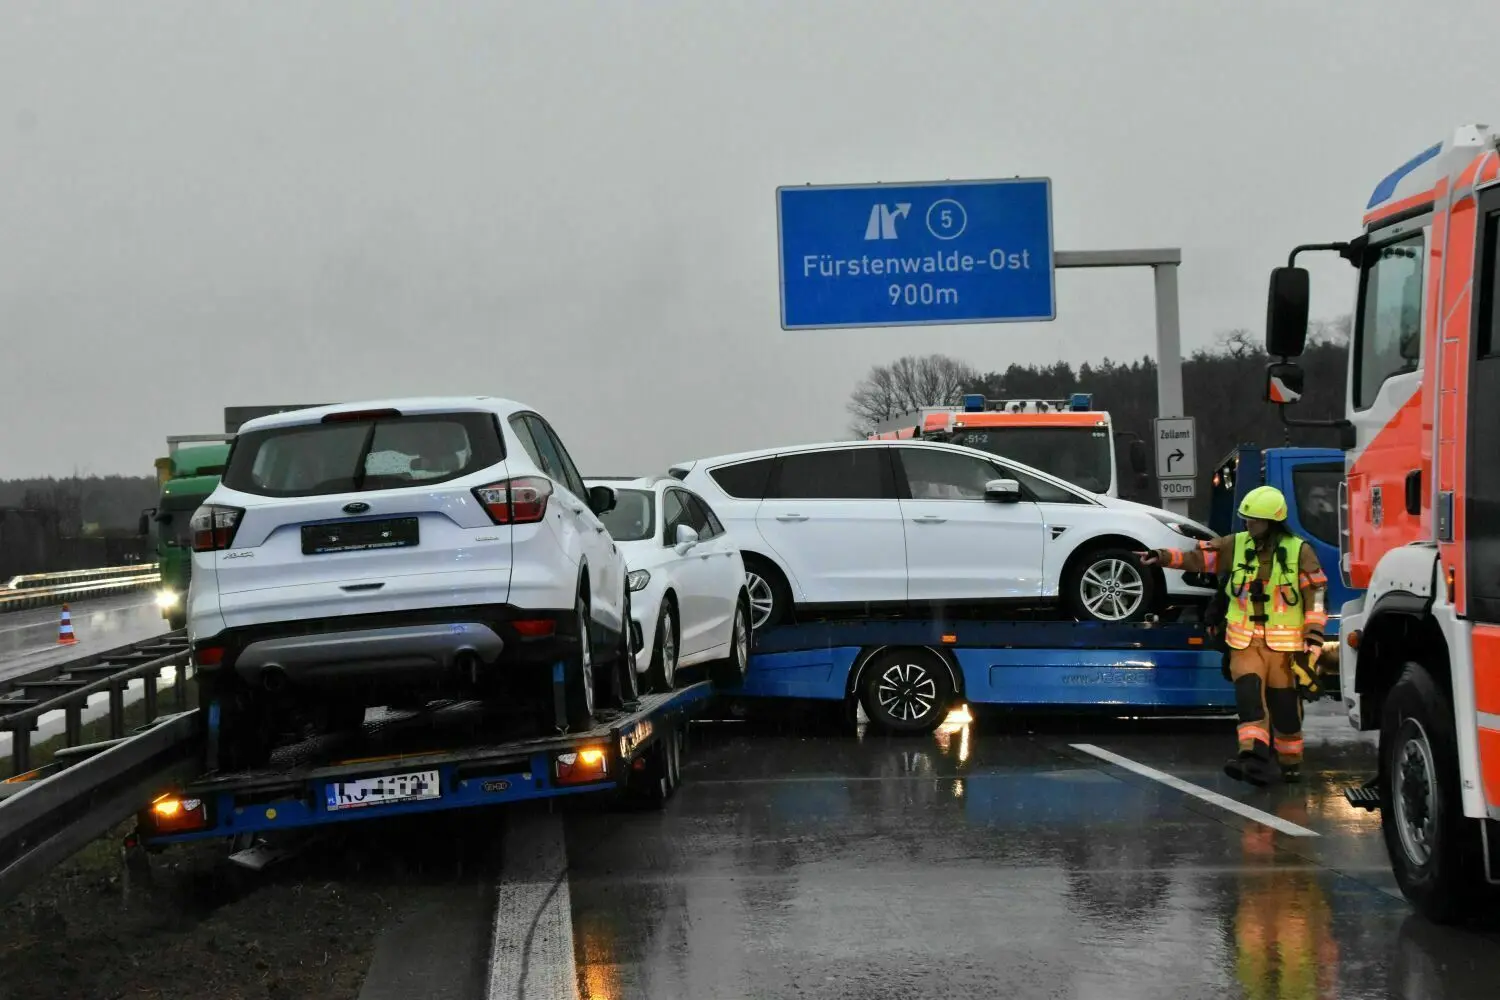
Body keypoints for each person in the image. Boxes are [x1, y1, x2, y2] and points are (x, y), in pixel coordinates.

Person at [1138, 485, 1329, 785]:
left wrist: (1313, 638)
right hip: (1244, 643)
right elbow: (1198, 558)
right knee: (1249, 700)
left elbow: (1316, 596)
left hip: (1285, 649)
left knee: (1285, 710)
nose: (1248, 524)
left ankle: (1290, 761)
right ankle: (1253, 758)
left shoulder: (1299, 551)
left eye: (1254, 520)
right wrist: (1161, 556)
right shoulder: (1236, 545)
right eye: (1246, 519)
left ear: (1272, 521)